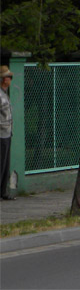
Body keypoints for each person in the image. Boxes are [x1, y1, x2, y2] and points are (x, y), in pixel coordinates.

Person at [0, 66, 14, 201]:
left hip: (7, 133)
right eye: (9, 77)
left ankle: (3, 191)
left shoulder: (5, 94)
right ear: (4, 79)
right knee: (1, 164)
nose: (10, 79)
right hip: (1, 134)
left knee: (5, 164)